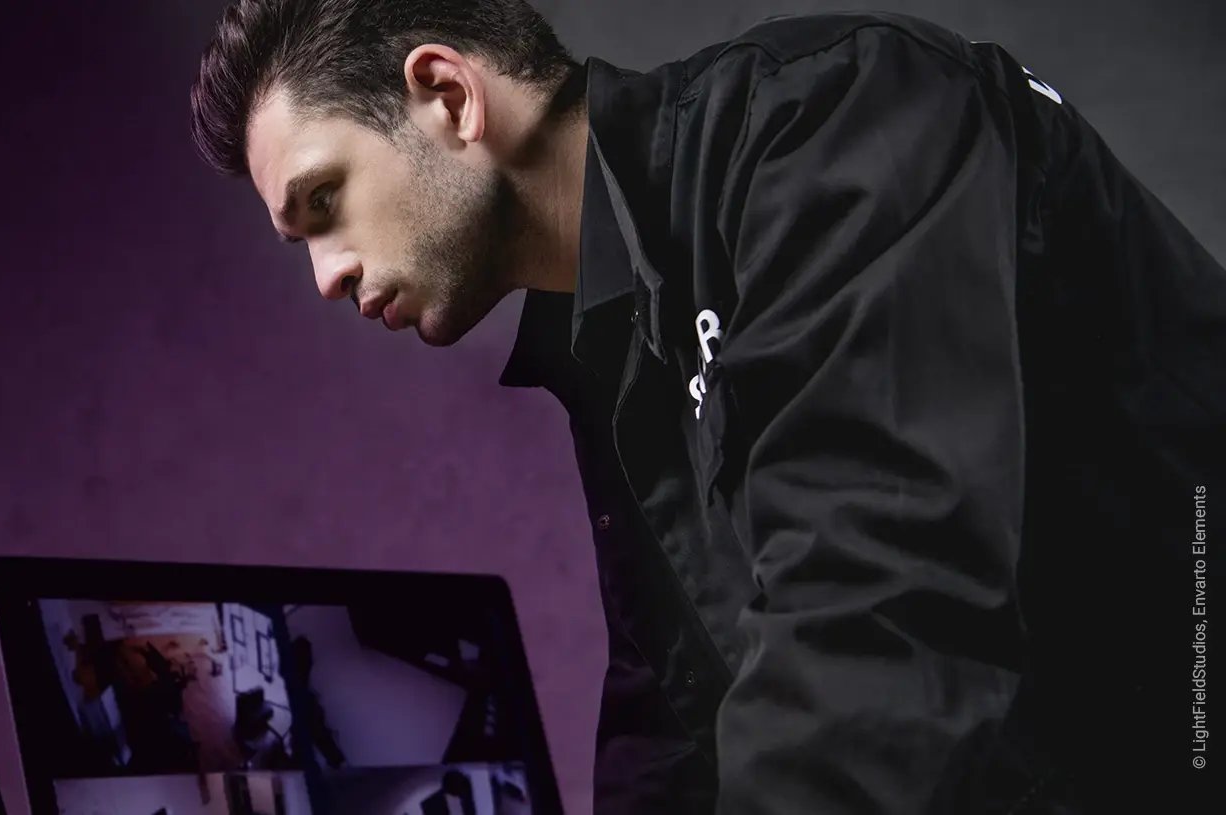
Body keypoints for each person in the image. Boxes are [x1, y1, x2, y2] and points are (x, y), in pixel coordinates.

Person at [187, 1, 1226, 812]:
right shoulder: (604, 331)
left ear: (447, 96)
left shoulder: (834, 120)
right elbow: (673, 716)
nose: (323, 275)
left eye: (322, 202)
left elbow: (877, 611)